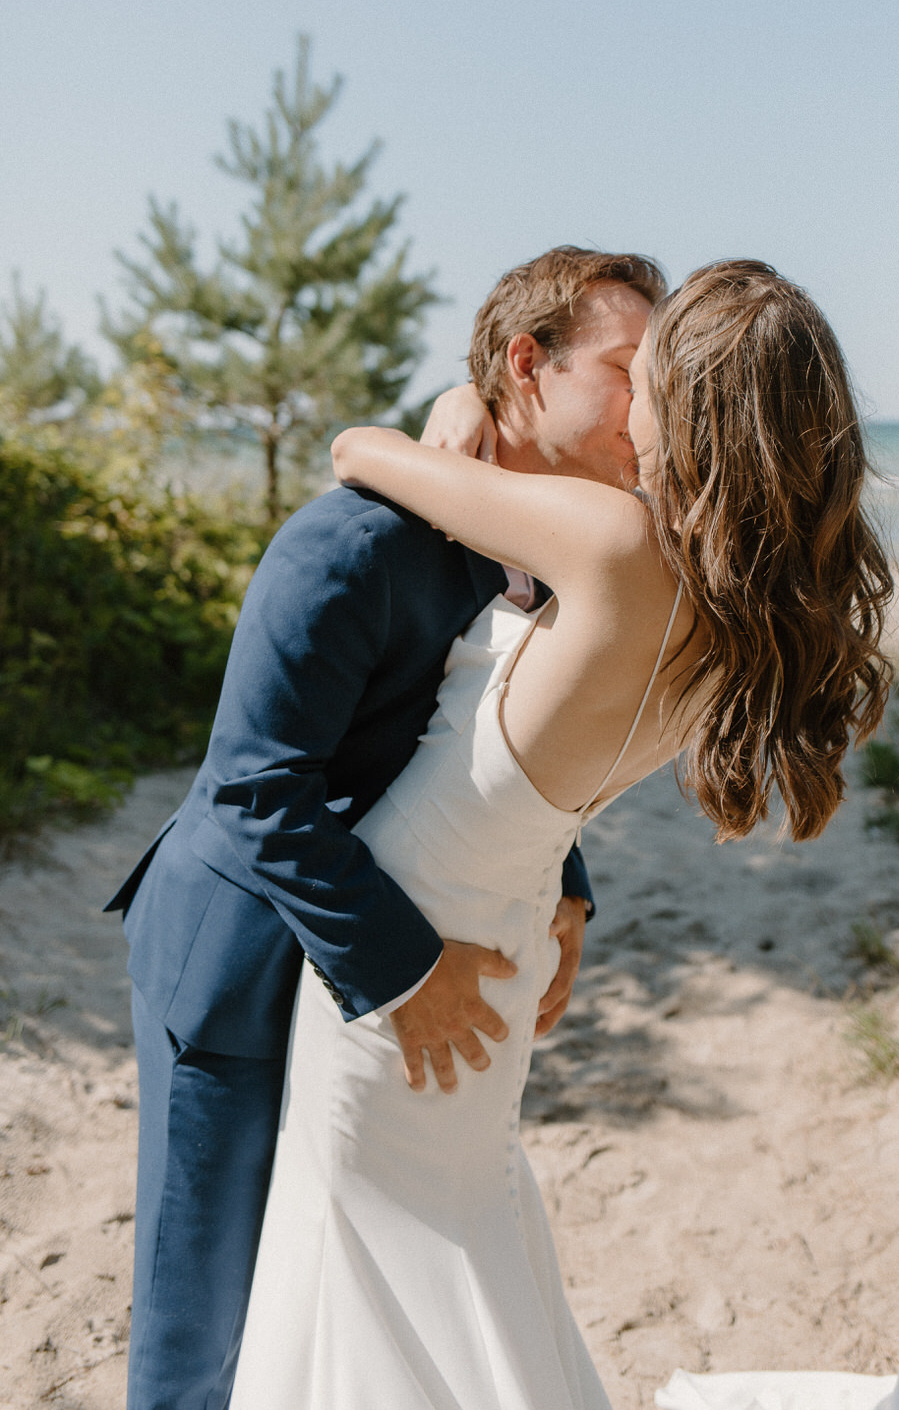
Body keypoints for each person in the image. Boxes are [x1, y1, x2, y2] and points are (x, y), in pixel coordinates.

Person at [228, 259, 895, 1410]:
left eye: (647, 373)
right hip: (501, 943)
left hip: (402, 970)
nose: (629, 401)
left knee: (378, 1274)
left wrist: (453, 419)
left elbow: (357, 450)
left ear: (688, 402)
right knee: (463, 1239)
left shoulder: (611, 543)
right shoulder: (732, 602)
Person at [104, 245, 666, 1410]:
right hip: (238, 952)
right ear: (527, 364)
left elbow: (488, 739)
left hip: (357, 945)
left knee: (309, 1300)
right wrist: (409, 972)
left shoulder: (544, 555)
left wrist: (563, 884)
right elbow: (255, 785)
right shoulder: (351, 542)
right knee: (204, 1312)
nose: (645, 408)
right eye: (624, 370)